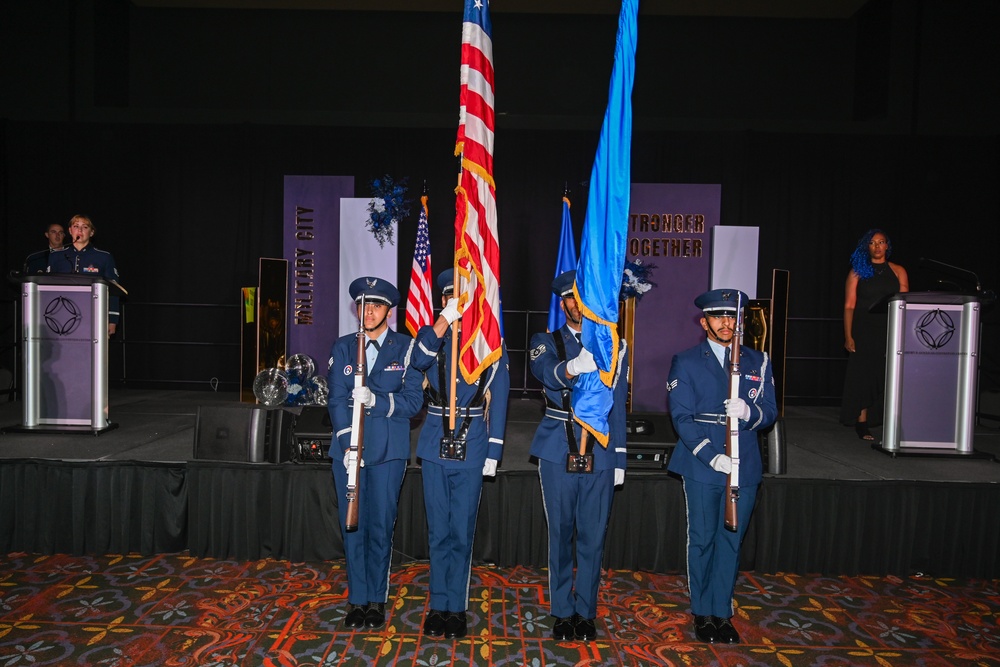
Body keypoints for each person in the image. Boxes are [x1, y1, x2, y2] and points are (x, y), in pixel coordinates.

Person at [666, 288, 777, 645]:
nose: (726, 323)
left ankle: (720, 611)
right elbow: (681, 416)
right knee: (701, 539)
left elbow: (771, 412)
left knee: (731, 541)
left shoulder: (757, 361)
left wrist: (749, 413)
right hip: (703, 463)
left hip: (743, 464)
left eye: (731, 316)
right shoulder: (685, 361)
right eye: (718, 317)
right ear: (705, 322)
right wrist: (709, 454)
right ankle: (702, 611)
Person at [528, 269, 628, 642]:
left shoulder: (615, 345)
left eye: (581, 296)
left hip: (600, 450)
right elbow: (544, 371)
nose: (576, 304)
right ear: (562, 302)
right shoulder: (546, 339)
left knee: (592, 537)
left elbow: (618, 405)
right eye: (570, 297)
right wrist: (573, 366)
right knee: (561, 534)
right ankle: (562, 609)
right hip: (557, 446)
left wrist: (618, 457)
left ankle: (585, 611)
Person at [410, 269, 510, 639]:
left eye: (462, 297)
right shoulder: (431, 335)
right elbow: (417, 361)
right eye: (450, 296)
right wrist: (443, 321)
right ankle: (438, 604)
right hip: (435, 441)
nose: (457, 301)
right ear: (443, 300)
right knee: (438, 531)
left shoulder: (487, 342)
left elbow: (499, 395)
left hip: (473, 442)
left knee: (461, 530)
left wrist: (495, 450)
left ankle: (457, 606)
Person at [325, 276, 424, 631]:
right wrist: (349, 443)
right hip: (348, 451)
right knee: (352, 525)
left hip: (387, 451)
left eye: (377, 306)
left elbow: (414, 401)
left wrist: (378, 401)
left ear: (389, 311)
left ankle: (376, 600)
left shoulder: (406, 348)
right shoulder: (342, 347)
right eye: (364, 305)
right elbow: (335, 398)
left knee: (380, 525)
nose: (368, 312)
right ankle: (357, 599)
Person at [840, 229, 908, 440]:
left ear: (888, 246)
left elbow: (905, 303)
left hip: (889, 329)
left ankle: (888, 420)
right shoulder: (858, 272)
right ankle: (862, 422)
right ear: (866, 247)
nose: (877, 246)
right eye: (872, 242)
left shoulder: (898, 271)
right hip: (863, 329)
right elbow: (849, 305)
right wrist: (848, 335)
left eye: (881, 242)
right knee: (863, 376)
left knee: (886, 375)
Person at [46, 215, 122, 336]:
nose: (80, 230)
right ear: (70, 231)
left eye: (85, 227)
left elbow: (113, 290)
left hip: (94, 317)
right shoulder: (56, 257)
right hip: (60, 317)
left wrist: (112, 320)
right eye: (76, 226)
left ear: (91, 232)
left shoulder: (104, 257)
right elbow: (47, 289)